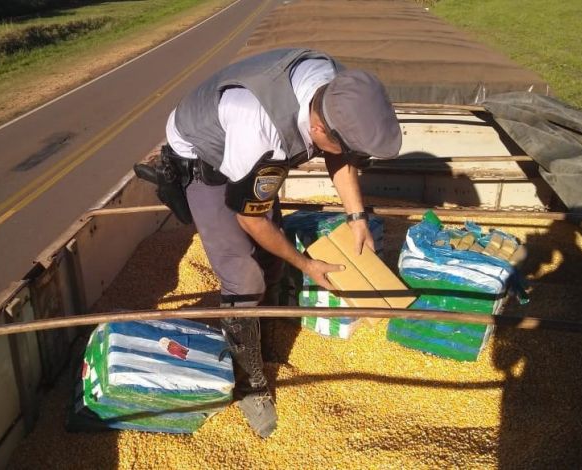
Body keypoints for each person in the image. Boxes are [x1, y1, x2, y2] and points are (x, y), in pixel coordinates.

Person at [135, 48, 402, 438]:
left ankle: (267, 335)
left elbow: (339, 156)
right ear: (318, 131)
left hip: (250, 153)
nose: (347, 154)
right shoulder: (260, 130)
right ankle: (249, 383)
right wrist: (307, 265)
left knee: (272, 262)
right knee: (244, 280)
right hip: (204, 154)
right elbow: (251, 216)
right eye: (341, 145)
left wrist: (357, 217)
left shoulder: (340, 88)